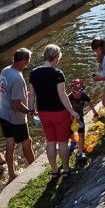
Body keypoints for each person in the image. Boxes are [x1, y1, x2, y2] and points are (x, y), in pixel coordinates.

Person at [29, 45, 80, 178]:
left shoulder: (33, 73)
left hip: (43, 113)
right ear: (56, 57)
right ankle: (66, 169)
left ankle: (54, 170)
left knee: (50, 141)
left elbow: (31, 95)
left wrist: (31, 110)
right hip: (59, 112)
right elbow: (62, 95)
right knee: (62, 142)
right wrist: (72, 111)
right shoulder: (57, 73)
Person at [0, 48, 35, 181]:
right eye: (28, 60)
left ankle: (11, 174)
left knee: (10, 142)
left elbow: (8, 91)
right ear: (23, 60)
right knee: (26, 142)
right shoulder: (18, 78)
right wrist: (30, 111)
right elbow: (16, 104)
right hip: (14, 117)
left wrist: (25, 94)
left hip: (2, 112)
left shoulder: (5, 70)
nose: (28, 63)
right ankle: (34, 167)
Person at [68, 79, 98, 161]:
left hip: (79, 118)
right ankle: (73, 141)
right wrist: (70, 116)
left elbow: (90, 103)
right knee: (70, 133)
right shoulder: (69, 97)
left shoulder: (84, 95)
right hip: (70, 118)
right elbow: (66, 108)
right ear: (72, 91)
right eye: (75, 93)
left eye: (79, 93)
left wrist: (94, 112)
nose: (77, 95)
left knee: (81, 135)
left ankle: (80, 153)